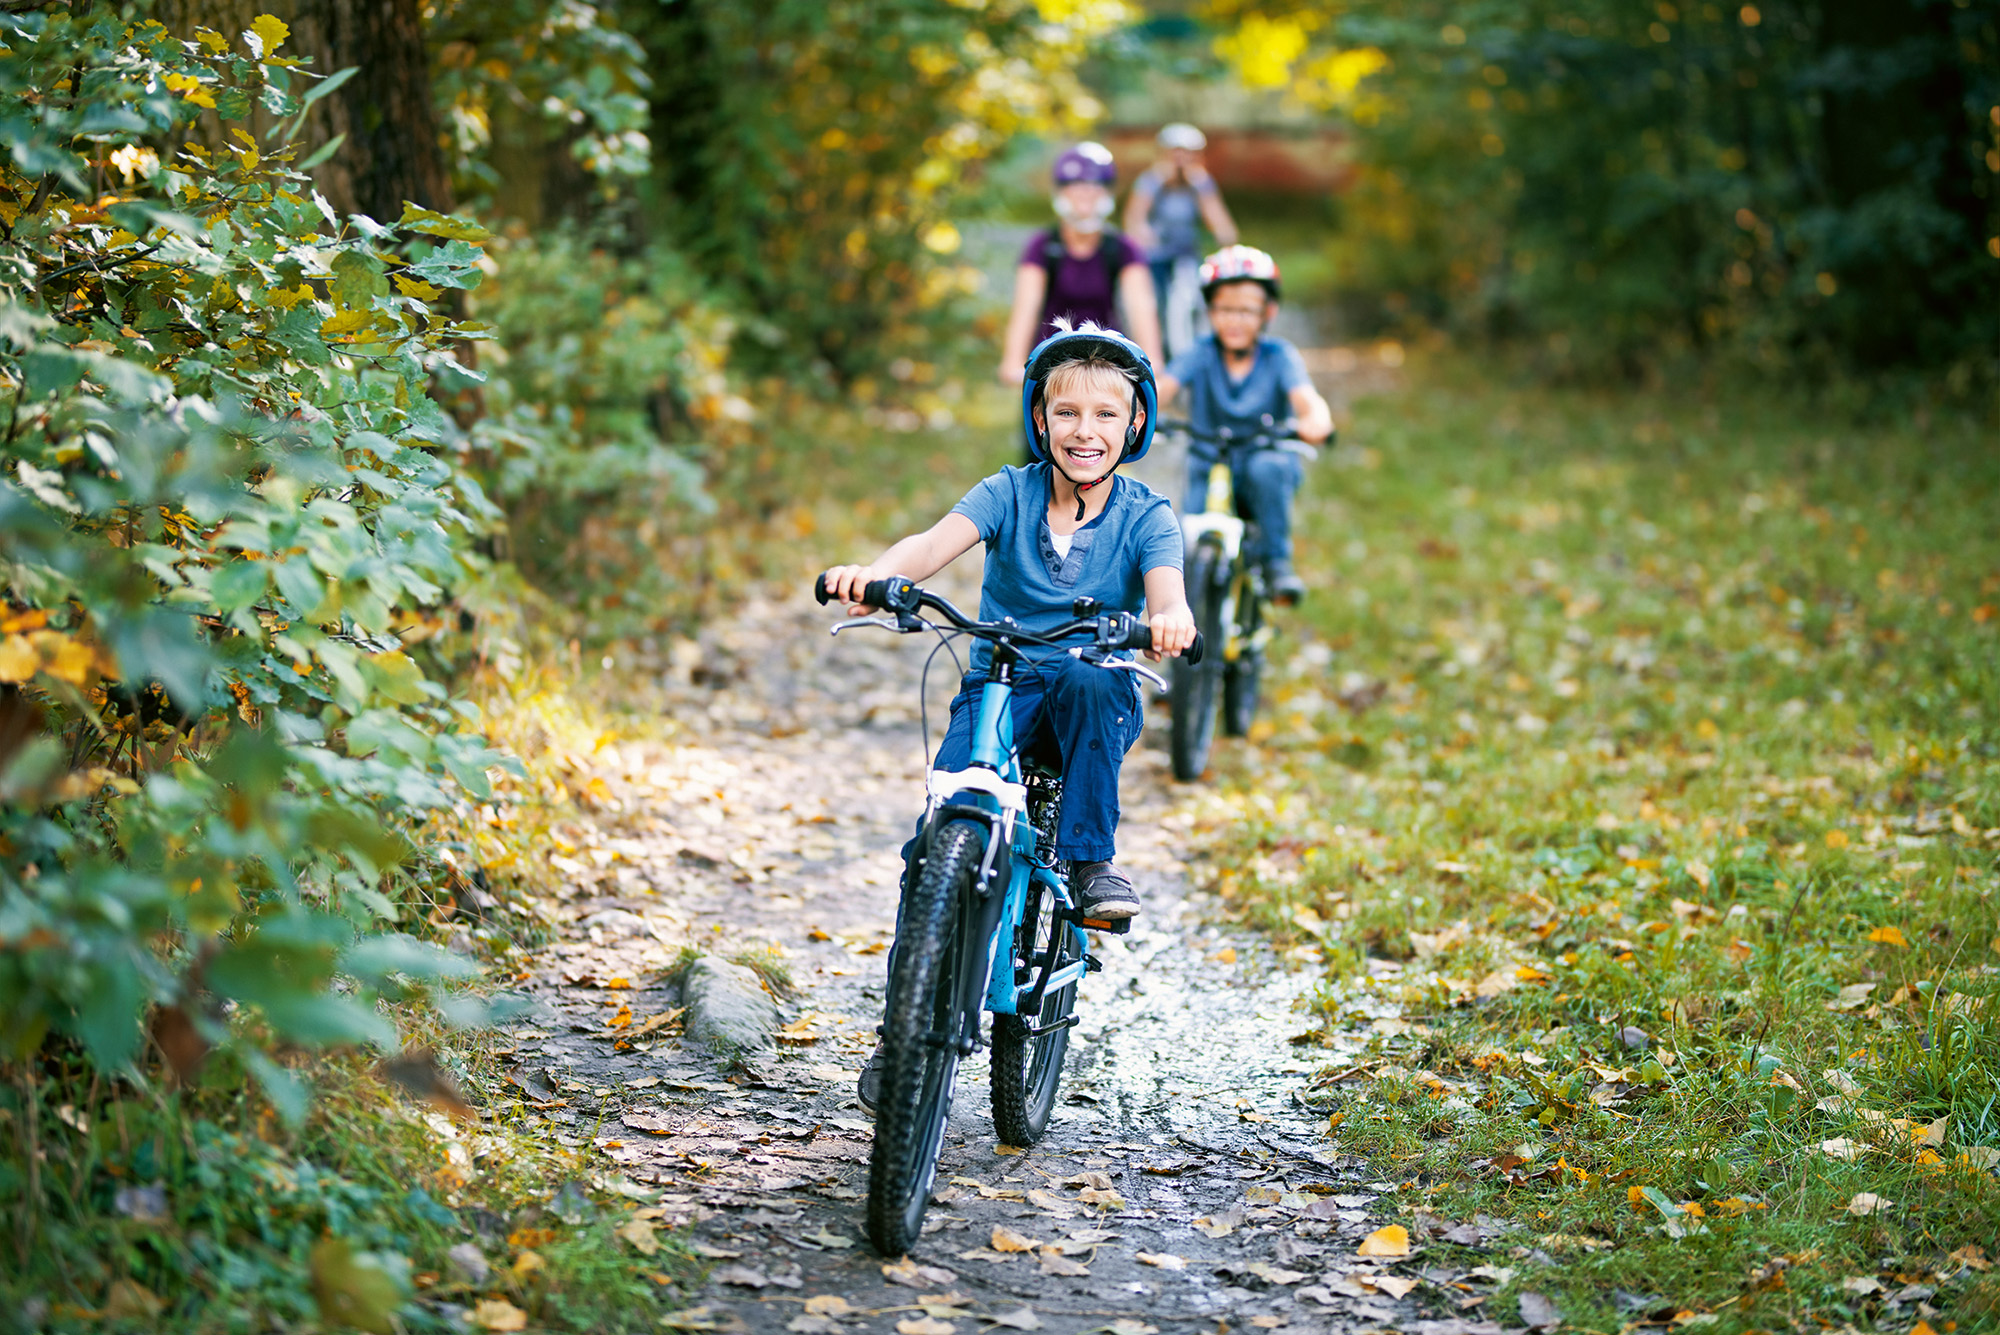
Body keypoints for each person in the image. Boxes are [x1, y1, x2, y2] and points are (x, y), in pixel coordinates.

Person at [822, 323, 1197, 1113]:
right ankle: (903, 1034)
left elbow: (1167, 590)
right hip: (1001, 682)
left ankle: (1090, 859)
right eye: (1067, 413)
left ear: (1135, 423)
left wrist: (1169, 619)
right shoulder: (1008, 491)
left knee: (1095, 682)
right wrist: (875, 576)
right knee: (936, 835)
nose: (1084, 431)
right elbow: (929, 546)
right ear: (1039, 419)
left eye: (1105, 415)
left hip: (1086, 691)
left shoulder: (1147, 515)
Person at [1156, 245, 1334, 607]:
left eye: (1247, 310)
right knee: (1184, 536)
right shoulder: (1201, 352)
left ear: (1268, 312)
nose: (1234, 319)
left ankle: (1275, 564)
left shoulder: (1279, 356)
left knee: (1268, 470)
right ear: (1210, 311)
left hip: (1262, 456)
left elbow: (1306, 399)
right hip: (1207, 457)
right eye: (1224, 309)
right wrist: (1133, 412)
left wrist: (1316, 419)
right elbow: (1163, 387)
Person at [998, 144, 1163, 390]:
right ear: (1061, 192)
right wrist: (1012, 360)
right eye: (1076, 186)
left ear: (1107, 192)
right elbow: (1026, 307)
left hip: (1105, 367)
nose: (1085, 194)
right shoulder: (1042, 247)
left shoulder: (1123, 249)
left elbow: (1141, 307)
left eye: (1094, 186)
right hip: (1049, 367)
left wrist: (1153, 363)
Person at [1124, 123, 1239, 320]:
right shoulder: (1151, 181)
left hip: (1186, 253)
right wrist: (1142, 234)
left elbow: (1218, 219)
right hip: (1156, 255)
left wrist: (1226, 240)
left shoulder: (1200, 183)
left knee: (1194, 300)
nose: (1181, 160)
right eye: (1175, 154)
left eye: (1188, 155)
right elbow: (1135, 217)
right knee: (1152, 302)